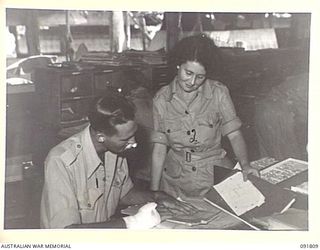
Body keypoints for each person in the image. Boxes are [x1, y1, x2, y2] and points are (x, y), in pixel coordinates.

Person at [40, 90, 195, 229]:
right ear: (101, 136)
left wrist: (157, 196)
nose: (134, 143)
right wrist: (135, 222)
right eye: (125, 139)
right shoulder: (60, 161)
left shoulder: (115, 150)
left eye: (133, 134)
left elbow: (124, 193)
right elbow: (67, 233)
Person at [151, 34, 259, 198]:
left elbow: (235, 134)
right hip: (174, 181)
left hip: (212, 177)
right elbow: (159, 149)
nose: (192, 81)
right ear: (178, 65)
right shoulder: (161, 99)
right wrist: (154, 191)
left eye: (200, 77)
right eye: (188, 73)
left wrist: (245, 164)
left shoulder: (218, 93)